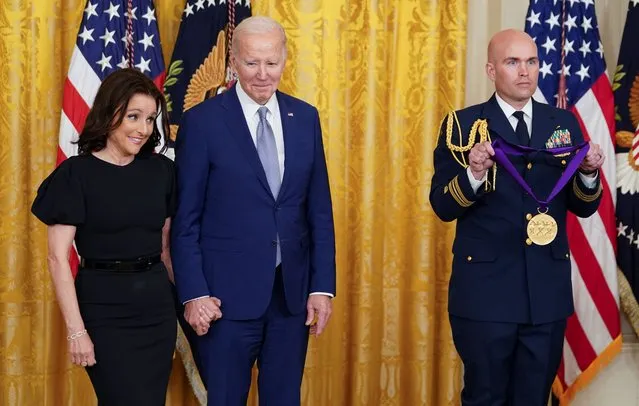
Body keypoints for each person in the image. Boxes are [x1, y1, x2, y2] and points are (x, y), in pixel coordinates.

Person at [429, 29, 605, 405]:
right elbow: (443, 206)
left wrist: (589, 173)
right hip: (486, 295)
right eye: (513, 62)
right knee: (485, 397)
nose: (525, 71)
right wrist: (474, 173)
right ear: (491, 70)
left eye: (531, 61)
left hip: (545, 292)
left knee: (533, 398)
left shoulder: (563, 124)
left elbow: (584, 206)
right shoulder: (462, 126)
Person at [171, 16, 336, 406]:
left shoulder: (306, 118)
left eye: (272, 62)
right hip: (224, 302)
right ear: (232, 61)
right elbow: (185, 220)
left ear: (284, 60)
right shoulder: (202, 122)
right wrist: (194, 293)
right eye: (251, 63)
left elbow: (319, 211)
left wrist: (321, 286)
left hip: (290, 298)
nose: (263, 74)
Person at [31, 68, 177, 405]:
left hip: (156, 311)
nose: (144, 129)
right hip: (103, 310)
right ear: (110, 113)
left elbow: (167, 249)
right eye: (134, 117)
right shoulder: (74, 175)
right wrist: (76, 331)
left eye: (151, 118)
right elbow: (57, 258)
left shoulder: (163, 171)